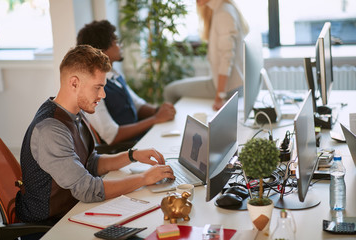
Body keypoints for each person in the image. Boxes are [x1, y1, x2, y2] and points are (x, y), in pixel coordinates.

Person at [15, 45, 175, 227]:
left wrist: (132, 155)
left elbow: (90, 163)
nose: (103, 94)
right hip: (50, 226)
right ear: (74, 83)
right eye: (97, 87)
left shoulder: (73, 114)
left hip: (75, 211)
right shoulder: (50, 130)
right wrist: (144, 178)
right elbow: (88, 190)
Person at [76, 20, 176, 146]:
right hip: (127, 150)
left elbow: (137, 105)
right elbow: (112, 136)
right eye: (116, 42)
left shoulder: (114, 74)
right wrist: (155, 119)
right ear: (103, 50)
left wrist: (158, 111)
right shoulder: (90, 88)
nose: (120, 46)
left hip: (141, 139)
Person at [163, 0, 249, 110]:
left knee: (170, 91)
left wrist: (220, 96)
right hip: (231, 85)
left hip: (227, 88)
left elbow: (226, 58)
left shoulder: (223, 13)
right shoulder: (223, 9)